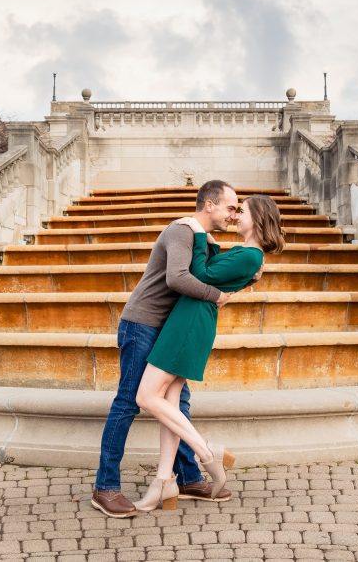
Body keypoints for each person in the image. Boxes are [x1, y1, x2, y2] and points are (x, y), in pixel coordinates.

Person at [91, 180, 241, 518]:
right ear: (209, 205)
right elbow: (176, 278)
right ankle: (105, 486)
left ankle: (187, 478)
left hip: (169, 328)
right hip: (143, 323)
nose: (234, 214)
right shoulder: (181, 230)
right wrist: (216, 297)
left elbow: (206, 272)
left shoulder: (201, 237)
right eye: (231, 207)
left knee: (179, 401)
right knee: (128, 401)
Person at [131, 194, 286, 512]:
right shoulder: (248, 256)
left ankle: (207, 452)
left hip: (189, 323)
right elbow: (216, 275)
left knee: (146, 398)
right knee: (169, 402)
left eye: (241, 211)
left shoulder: (249, 256)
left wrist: (200, 234)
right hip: (188, 319)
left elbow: (197, 274)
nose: (235, 215)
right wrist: (212, 241)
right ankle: (164, 481)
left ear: (258, 218)